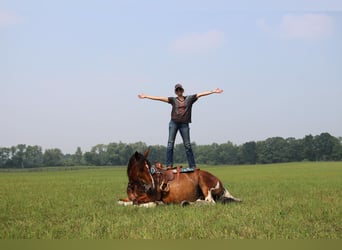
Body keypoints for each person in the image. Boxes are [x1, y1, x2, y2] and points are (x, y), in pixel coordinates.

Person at [138, 84, 223, 172]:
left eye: (180, 90)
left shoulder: (189, 99)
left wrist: (213, 91)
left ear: (182, 91)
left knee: (187, 145)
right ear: (176, 92)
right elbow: (159, 98)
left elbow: (200, 94)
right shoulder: (173, 100)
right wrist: (146, 96)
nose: (179, 92)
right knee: (170, 144)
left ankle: (192, 165)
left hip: (184, 124)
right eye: (177, 90)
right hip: (174, 123)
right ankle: (169, 165)